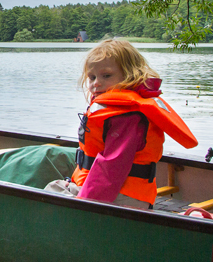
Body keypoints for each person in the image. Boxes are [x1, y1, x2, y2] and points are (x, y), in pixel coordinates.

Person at [54, 38, 198, 209]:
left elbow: (111, 168)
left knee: (52, 194)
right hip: (106, 190)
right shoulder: (113, 109)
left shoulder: (127, 116)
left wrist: (84, 204)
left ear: (130, 75)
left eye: (106, 76)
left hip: (120, 196)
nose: (96, 83)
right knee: (54, 188)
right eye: (92, 77)